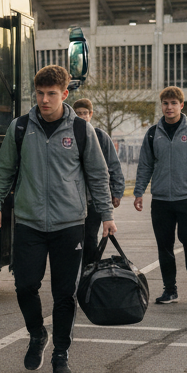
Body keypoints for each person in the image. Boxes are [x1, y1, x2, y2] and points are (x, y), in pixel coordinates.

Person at [0, 66, 115, 373]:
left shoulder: (82, 131)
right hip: (29, 222)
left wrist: (107, 215)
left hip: (70, 223)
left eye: (52, 94)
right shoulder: (19, 128)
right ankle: (36, 333)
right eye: (40, 94)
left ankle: (61, 354)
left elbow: (98, 176)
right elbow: (4, 170)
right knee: (25, 286)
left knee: (64, 294)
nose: (45, 100)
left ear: (65, 94)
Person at [132, 86, 187, 304]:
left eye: (173, 103)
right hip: (161, 199)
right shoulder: (153, 133)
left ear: (181, 105)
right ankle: (170, 289)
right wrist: (138, 192)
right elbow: (145, 165)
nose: (169, 107)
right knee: (164, 246)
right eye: (165, 103)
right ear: (161, 106)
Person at [72, 98, 124, 266]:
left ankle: (90, 273)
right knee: (72, 243)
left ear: (91, 114)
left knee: (90, 239)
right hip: (72, 200)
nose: (82, 117)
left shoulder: (101, 137)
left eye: (85, 113)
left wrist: (116, 192)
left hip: (93, 200)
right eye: (78, 114)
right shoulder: (69, 136)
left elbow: (114, 166)